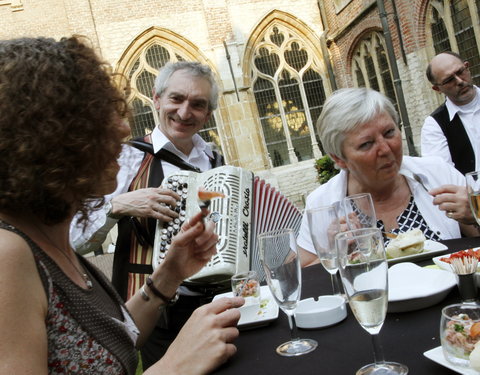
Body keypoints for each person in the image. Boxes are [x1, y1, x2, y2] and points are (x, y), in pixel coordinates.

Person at [0, 36, 243, 375]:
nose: (124, 127)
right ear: (45, 136)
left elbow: (114, 341)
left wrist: (166, 279)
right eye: (97, 117)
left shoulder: (50, 246)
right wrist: (172, 367)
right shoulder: (7, 254)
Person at [70, 60, 226, 369]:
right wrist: (118, 205)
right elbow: (75, 237)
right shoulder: (123, 157)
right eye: (176, 99)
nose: (184, 112)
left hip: (218, 301)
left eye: (197, 104)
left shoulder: (215, 158)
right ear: (156, 99)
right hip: (158, 313)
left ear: (208, 113)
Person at [298, 87, 479, 267]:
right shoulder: (322, 203)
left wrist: (476, 214)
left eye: (389, 133)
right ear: (339, 158)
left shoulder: (438, 173)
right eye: (367, 144)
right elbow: (305, 275)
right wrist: (333, 255)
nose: (386, 149)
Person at [421, 51, 480, 175]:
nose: (459, 81)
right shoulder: (434, 126)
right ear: (437, 89)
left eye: (460, 72)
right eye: (449, 80)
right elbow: (442, 176)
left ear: (467, 67)